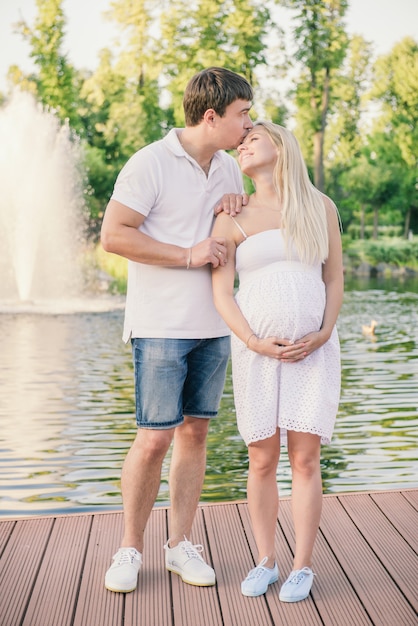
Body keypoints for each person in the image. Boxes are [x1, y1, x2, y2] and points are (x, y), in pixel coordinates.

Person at [100, 67, 253, 593]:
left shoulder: (232, 167)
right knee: (153, 439)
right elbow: (113, 235)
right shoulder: (149, 163)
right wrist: (187, 255)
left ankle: (179, 545)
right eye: (241, 114)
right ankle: (129, 548)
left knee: (196, 433)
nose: (248, 122)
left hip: (215, 323)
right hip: (161, 322)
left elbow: (234, 235)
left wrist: (237, 209)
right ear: (211, 117)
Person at [211, 121, 343, 603]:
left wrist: (324, 333)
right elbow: (222, 294)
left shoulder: (319, 207)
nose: (243, 144)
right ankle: (266, 559)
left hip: (313, 349)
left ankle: (301, 566)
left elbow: (333, 280)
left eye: (254, 138)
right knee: (262, 457)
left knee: (305, 458)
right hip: (256, 352)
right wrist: (252, 340)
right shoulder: (231, 216)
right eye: (240, 142)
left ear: (281, 147)